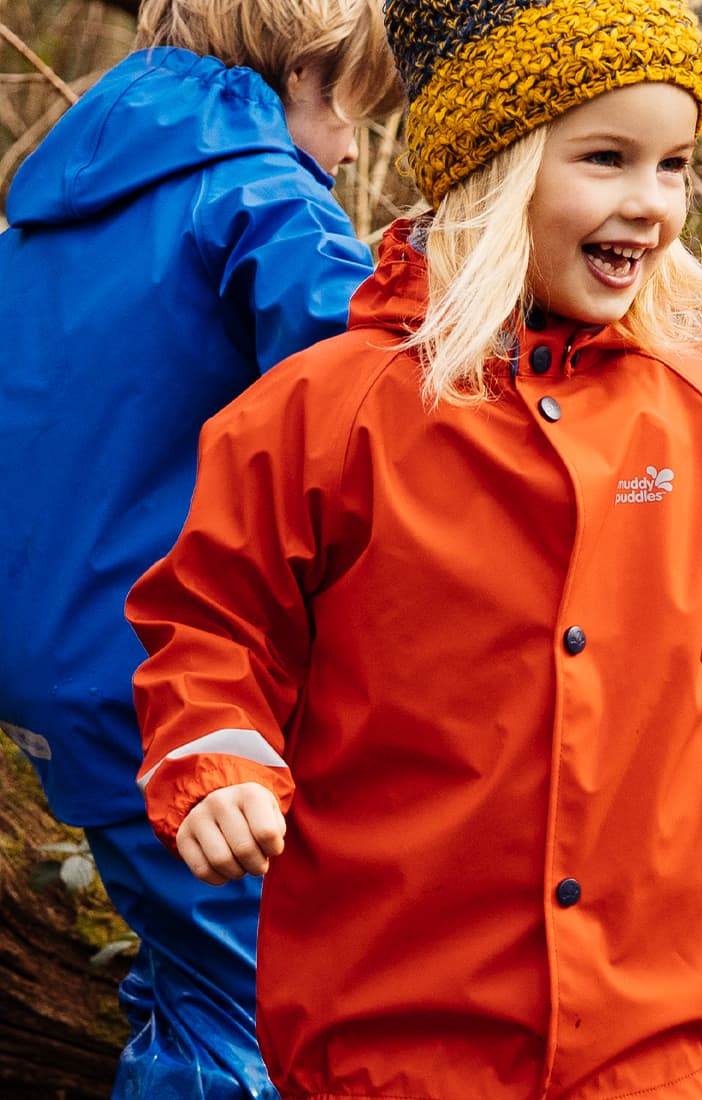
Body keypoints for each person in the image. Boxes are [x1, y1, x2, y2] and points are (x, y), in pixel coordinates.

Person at [125, 0, 702, 1096]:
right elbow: (213, 625)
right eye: (605, 158)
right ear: (492, 174)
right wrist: (217, 760)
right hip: (393, 1018)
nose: (648, 204)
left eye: (673, 165)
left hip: (645, 1021)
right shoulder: (326, 412)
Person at [0, 0, 403, 1096]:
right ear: (302, 73)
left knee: (195, 962)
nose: (356, 146)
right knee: (268, 1006)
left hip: (54, 661)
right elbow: (372, 399)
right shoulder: (259, 196)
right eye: (349, 106)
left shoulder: (55, 208)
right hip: (173, 677)